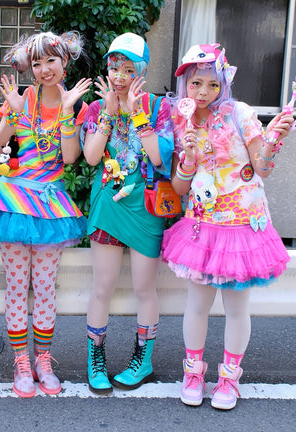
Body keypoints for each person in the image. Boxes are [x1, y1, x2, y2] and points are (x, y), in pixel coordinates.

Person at [161, 43, 294, 410]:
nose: (203, 93)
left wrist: (274, 139)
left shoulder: (241, 113)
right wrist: (187, 157)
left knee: (237, 308)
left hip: (243, 226)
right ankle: (193, 373)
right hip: (202, 226)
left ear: (223, 84)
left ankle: (229, 379)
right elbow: (178, 187)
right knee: (197, 305)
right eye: (196, 84)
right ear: (185, 84)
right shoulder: (181, 119)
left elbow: (262, 167)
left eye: (212, 85)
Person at [0, 31, 92, 398]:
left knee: (43, 287)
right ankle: (21, 361)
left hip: (50, 205)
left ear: (64, 62)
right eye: (36, 63)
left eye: (50, 61)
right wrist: (13, 115)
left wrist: (70, 111)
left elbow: (71, 158)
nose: (43, 69)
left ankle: (43, 359)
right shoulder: (23, 97)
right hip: (13, 202)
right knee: (16, 285)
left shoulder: (77, 105)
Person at [82, 33, 174, 394]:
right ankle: (96, 358)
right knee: (101, 286)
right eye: (114, 66)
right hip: (108, 203)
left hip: (146, 206)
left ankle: (143, 359)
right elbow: (91, 157)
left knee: (144, 288)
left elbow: (157, 158)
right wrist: (107, 111)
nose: (119, 75)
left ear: (143, 71)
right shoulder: (96, 108)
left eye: (128, 68)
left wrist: (135, 112)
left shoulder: (157, 107)